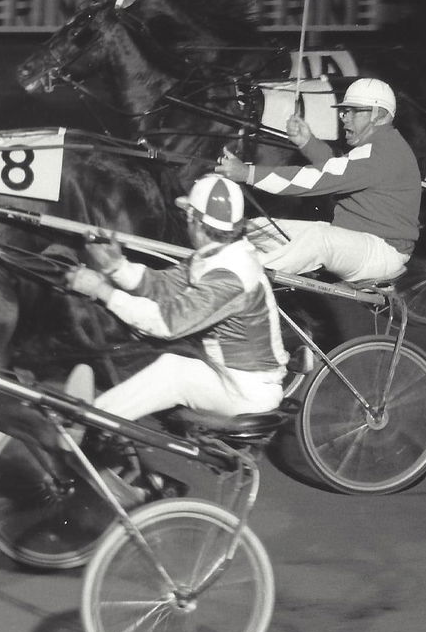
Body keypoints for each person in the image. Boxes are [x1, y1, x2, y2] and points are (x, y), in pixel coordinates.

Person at [65, 174, 289, 436]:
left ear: (194, 219)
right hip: (231, 375)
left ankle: (84, 425)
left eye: (188, 216)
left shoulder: (230, 274)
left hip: (246, 390)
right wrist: (117, 267)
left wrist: (101, 290)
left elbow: (165, 323)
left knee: (173, 372)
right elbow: (164, 286)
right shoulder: (219, 254)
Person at [214, 76, 421, 285]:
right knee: (255, 228)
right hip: (361, 239)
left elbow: (316, 179)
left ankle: (236, 278)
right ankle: (228, 255)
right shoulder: (380, 146)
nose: (344, 118)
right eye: (344, 111)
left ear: (378, 114)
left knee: (318, 238)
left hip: (383, 251)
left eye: (352, 111)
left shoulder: (381, 152)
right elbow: (339, 170)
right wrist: (307, 142)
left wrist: (248, 174)